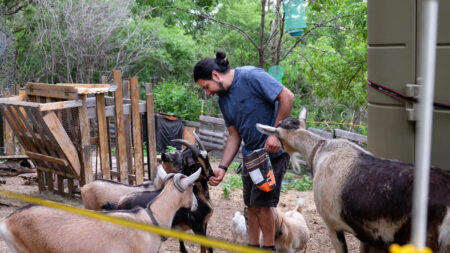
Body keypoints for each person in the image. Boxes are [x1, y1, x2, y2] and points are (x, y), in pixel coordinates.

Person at [193, 51, 294, 251]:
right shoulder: (224, 100)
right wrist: (222, 166)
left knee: (264, 205)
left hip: (271, 154)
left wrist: (275, 134)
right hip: (250, 156)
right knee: (251, 206)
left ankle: (269, 247)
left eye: (206, 87)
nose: (208, 93)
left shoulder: (250, 76)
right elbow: (233, 134)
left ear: (215, 75)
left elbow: (287, 96)